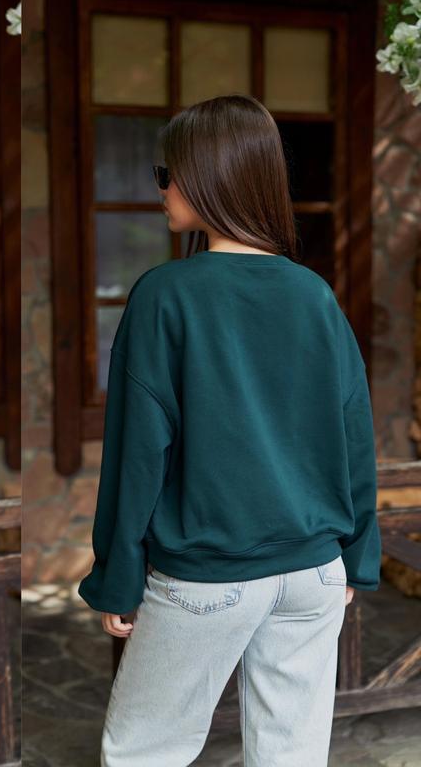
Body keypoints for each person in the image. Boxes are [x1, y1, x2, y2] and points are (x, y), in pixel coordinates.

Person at [78, 94, 380, 766]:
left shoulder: (165, 294)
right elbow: (355, 435)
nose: (160, 188)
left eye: (168, 173)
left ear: (209, 176)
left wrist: (117, 577)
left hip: (209, 572)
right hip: (315, 571)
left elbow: (137, 455)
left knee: (142, 753)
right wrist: (358, 555)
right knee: (291, 755)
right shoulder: (314, 295)